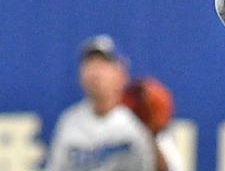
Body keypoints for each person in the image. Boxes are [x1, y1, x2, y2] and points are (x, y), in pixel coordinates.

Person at [46, 36, 180, 171]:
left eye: (103, 65)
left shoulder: (140, 113)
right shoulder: (70, 120)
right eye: (90, 64)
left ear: (121, 73)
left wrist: (152, 136)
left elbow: (170, 168)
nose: (95, 73)